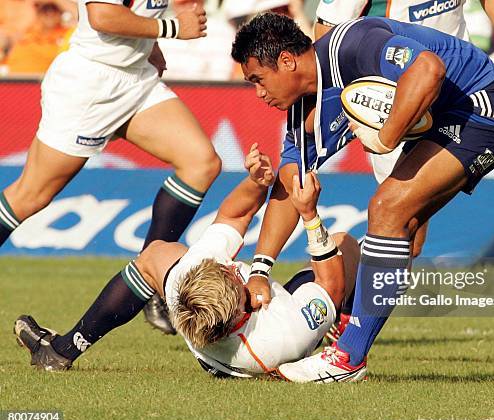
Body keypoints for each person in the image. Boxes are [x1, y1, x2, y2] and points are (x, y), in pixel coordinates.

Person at [231, 13, 494, 383]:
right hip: (444, 118)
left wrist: (385, 138)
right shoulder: (302, 116)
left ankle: (348, 358)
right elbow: (291, 184)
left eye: (258, 79)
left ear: (287, 61)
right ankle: (348, 332)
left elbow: (428, 68)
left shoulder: (352, 44)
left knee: (389, 208)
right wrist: (260, 269)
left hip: (484, 105)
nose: (258, 93)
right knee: (405, 232)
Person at [14, 145, 360, 377]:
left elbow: (233, 216)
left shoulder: (192, 277)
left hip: (210, 339)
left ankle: (63, 350)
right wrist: (309, 215)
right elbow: (332, 284)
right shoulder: (282, 334)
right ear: (247, 304)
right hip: (267, 351)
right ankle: (342, 331)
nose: (231, 267)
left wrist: (256, 184)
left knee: (154, 257)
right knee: (345, 246)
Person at [0, 0, 219, 334]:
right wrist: (173, 29)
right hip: (91, 84)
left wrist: (151, 45)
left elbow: (140, 9)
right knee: (29, 195)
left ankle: (151, 280)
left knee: (201, 163)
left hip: (135, 79)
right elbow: (102, 16)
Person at [4, 0, 72, 75]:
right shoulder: (26, 32)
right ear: (37, 12)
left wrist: (57, 1)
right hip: (12, 82)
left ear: (61, 11)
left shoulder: (68, 34)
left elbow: (81, 17)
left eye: (54, 9)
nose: (50, 13)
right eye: (45, 9)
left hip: (43, 83)